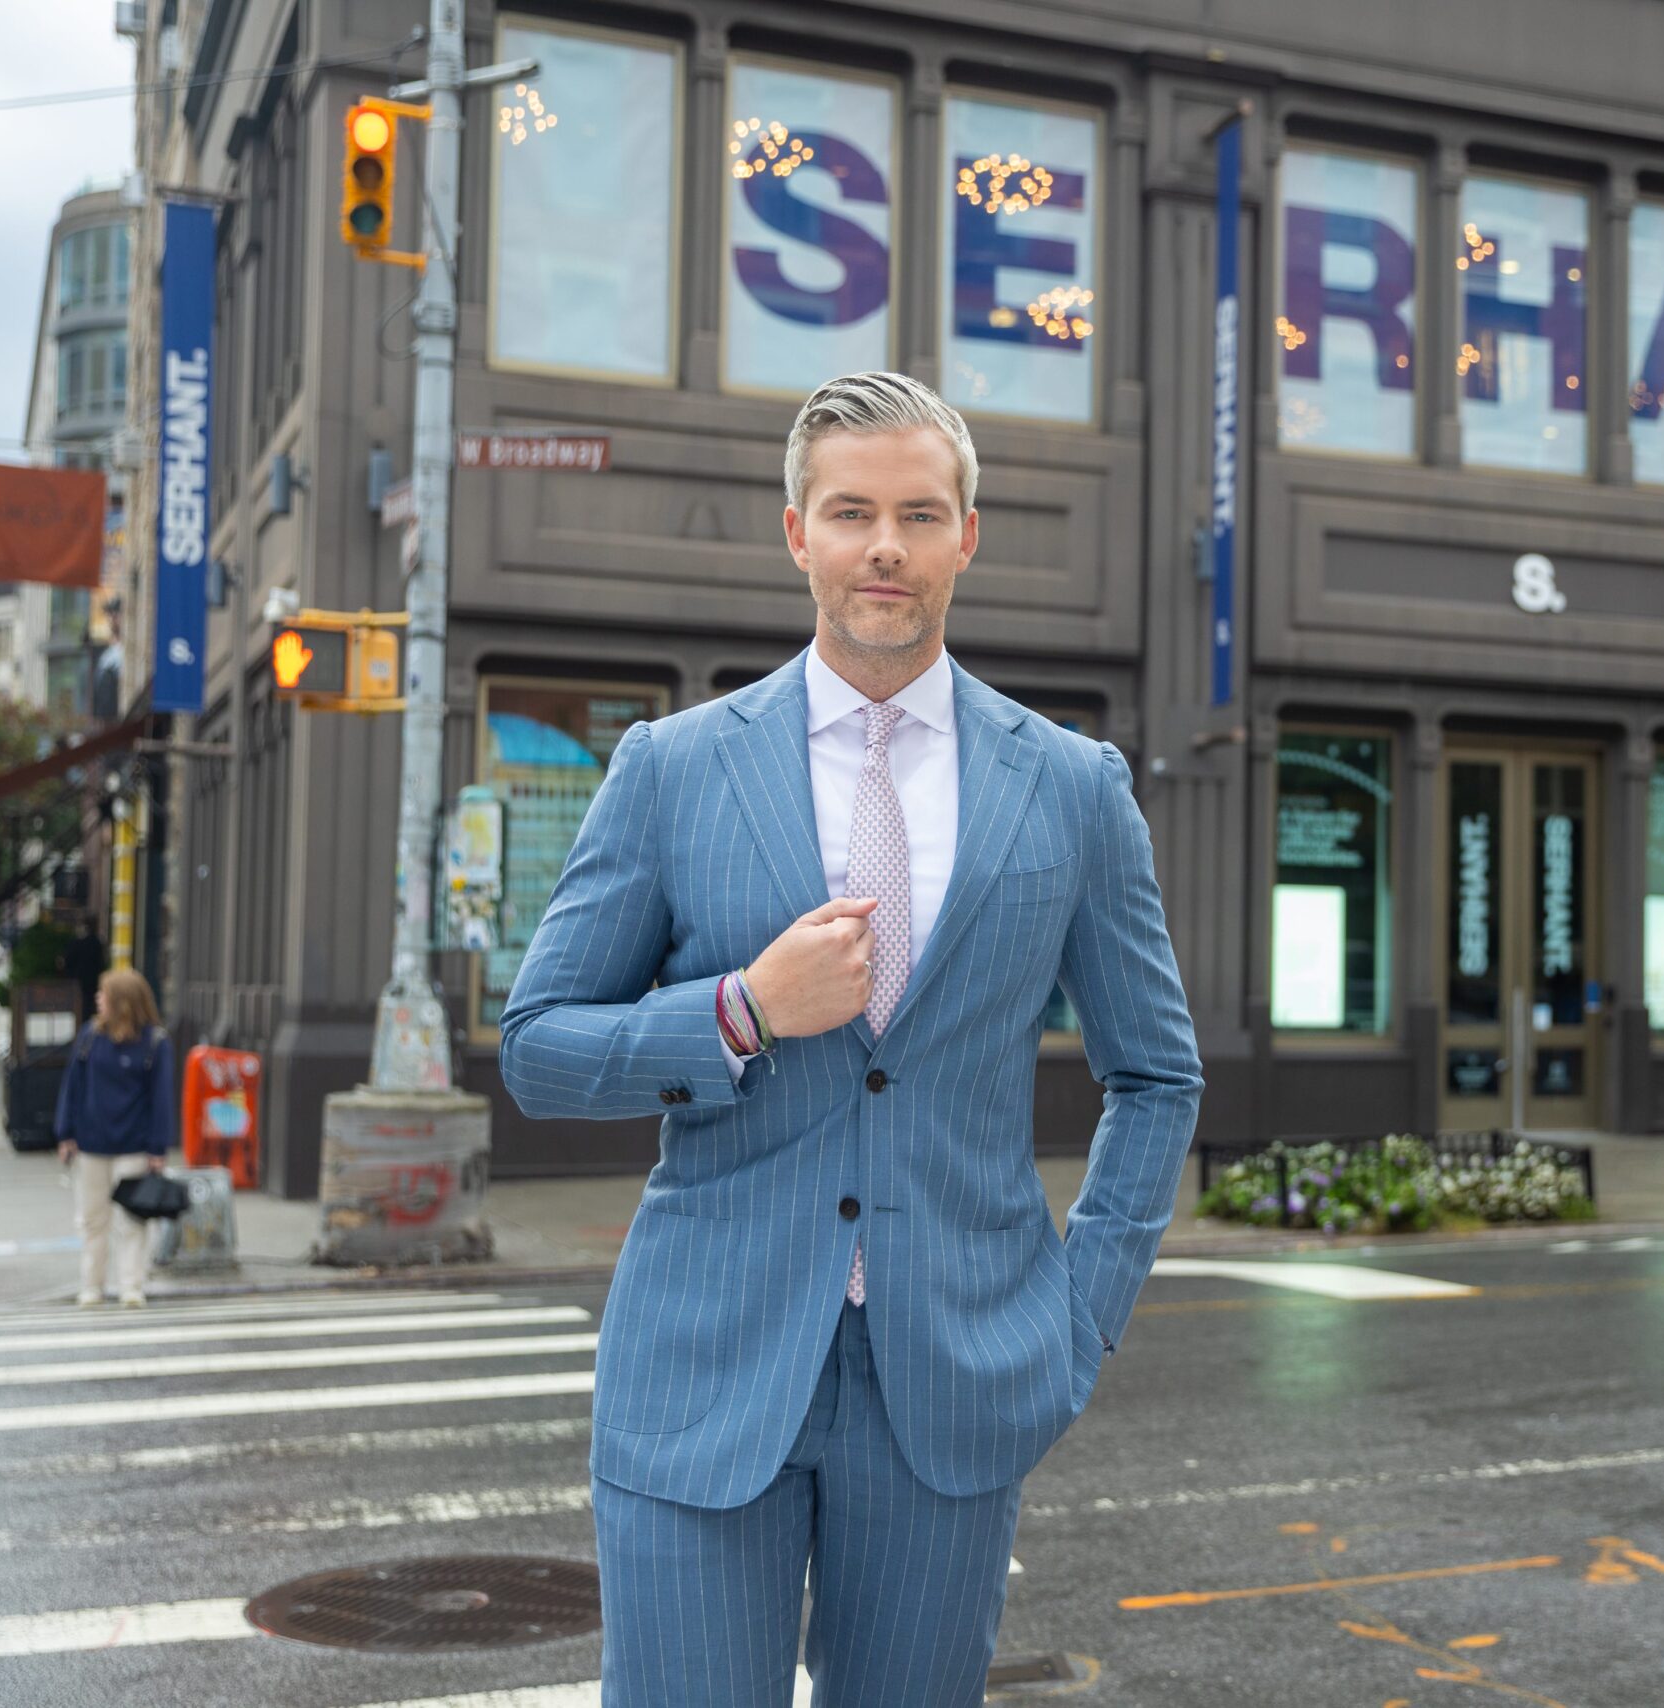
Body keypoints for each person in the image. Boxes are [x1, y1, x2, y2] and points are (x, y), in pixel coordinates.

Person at [500, 371, 1202, 1708]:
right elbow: (537, 1048)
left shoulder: (1069, 787)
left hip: (957, 1378)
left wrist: (1078, 1319)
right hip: (704, 1369)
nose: (887, 546)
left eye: (920, 514)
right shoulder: (674, 767)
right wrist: (741, 1011)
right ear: (798, 534)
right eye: (853, 512)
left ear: (965, 537)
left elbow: (1156, 1074)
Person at [54, 968, 175, 1308]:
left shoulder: (155, 1042)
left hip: (134, 1145)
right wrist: (65, 1134)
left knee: (132, 1220)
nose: (98, 999)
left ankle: (131, 1287)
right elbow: (72, 1087)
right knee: (93, 1220)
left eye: (103, 994)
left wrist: (157, 1147)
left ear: (121, 1001)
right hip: (91, 1144)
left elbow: (161, 1098)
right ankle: (92, 1287)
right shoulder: (90, 1037)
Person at [62, 920, 107, 1017]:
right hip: (93, 979)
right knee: (91, 1002)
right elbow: (101, 962)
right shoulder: (96, 942)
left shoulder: (75, 943)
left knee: (82, 1004)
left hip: (79, 980)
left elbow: (68, 961)